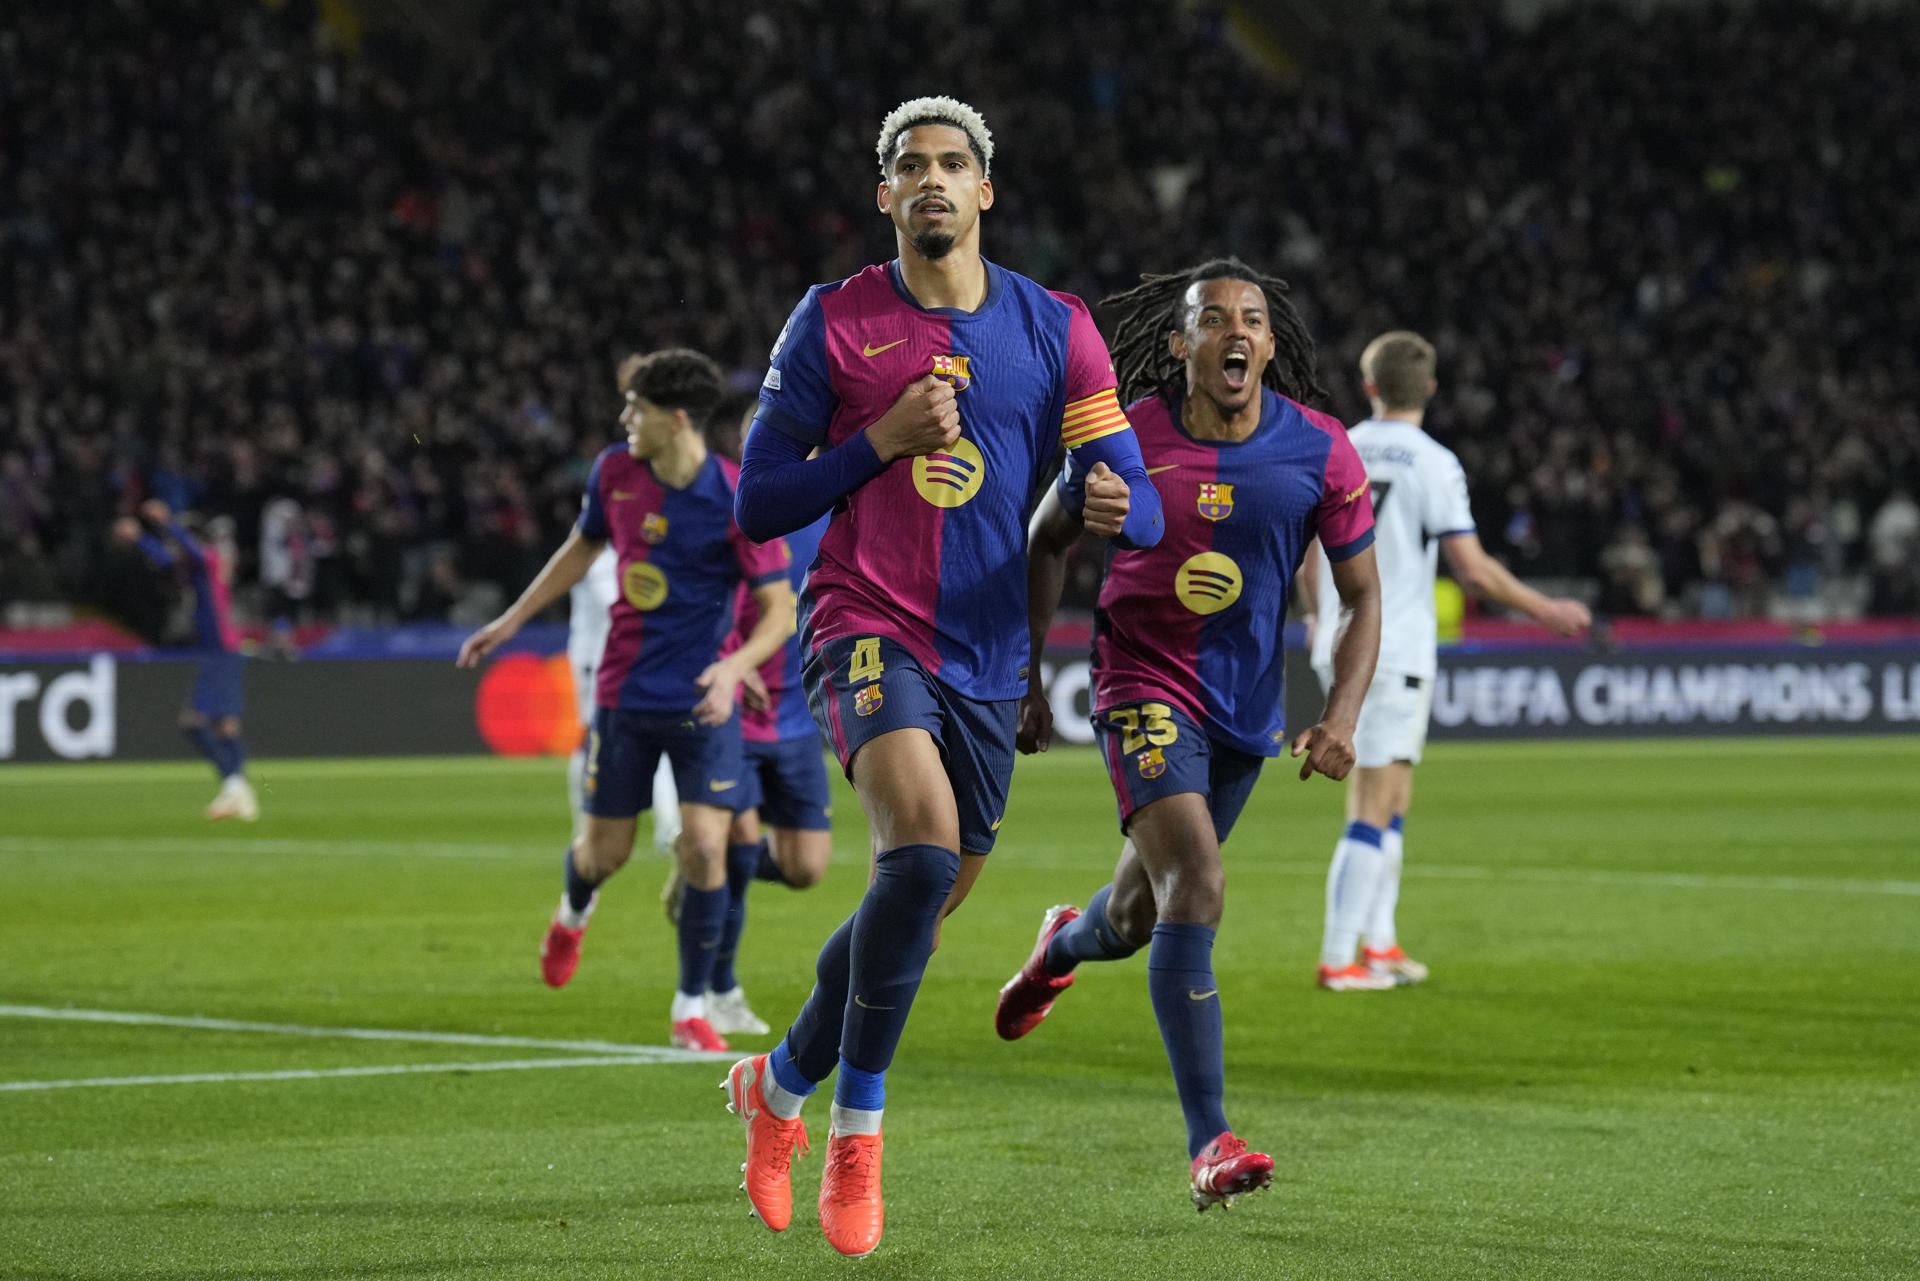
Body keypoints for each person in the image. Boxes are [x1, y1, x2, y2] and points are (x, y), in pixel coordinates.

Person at [722, 96, 1163, 1257]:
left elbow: (1139, 490)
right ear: (884, 196)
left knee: (912, 905)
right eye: (908, 165)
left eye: (950, 164)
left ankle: (775, 1088)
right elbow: (758, 503)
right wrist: (876, 444)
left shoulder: (1056, 328)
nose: (929, 179)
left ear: (984, 192)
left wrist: (1120, 502)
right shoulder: (832, 322)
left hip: (987, 658)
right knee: (913, 857)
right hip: (864, 620)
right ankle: (856, 1139)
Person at [996, 259, 1382, 1210]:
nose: (1235, 333)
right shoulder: (1120, 438)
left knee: (1136, 917)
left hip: (1245, 713)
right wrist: (1028, 677)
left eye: (1251, 319)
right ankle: (1209, 1141)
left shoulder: (1322, 451)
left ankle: (1060, 945)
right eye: (1212, 320)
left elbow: (1364, 596)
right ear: (1181, 344)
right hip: (1140, 684)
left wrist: (1339, 714)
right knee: (1199, 885)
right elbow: (1043, 539)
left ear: (1270, 345)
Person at [457, 349, 795, 1050]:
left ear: (675, 420)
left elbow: (778, 612)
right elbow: (580, 550)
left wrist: (734, 668)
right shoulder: (615, 473)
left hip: (703, 699)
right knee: (602, 853)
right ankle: (572, 914)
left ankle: (689, 1007)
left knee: (705, 846)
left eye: (635, 408)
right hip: (624, 695)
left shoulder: (735, 498)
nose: (623, 419)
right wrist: (512, 620)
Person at [1300, 331, 1590, 991]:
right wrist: (1545, 609)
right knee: (1374, 801)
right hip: (1389, 646)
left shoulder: (1332, 446)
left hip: (1341, 643)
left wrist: (1316, 616)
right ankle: (1338, 957)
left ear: (1370, 386)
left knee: (1393, 796)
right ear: (1429, 389)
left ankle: (1378, 942)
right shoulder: (1433, 462)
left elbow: (1305, 551)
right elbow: (1473, 569)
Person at [660, 398, 835, 1039]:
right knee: (731, 847)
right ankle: (718, 989)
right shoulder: (738, 504)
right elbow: (699, 598)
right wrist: (731, 666)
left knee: (805, 866)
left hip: (796, 712)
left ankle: (690, 866)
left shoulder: (835, 501)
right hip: (735, 707)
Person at [117, 500, 258, 820]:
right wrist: (139, 537)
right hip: (220, 653)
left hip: (222, 652)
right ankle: (238, 794)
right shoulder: (193, 570)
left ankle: (235, 787)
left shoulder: (206, 560)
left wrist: (167, 523)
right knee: (224, 726)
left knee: (195, 722)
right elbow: (166, 558)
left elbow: (189, 551)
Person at [566, 544, 682, 855]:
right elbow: (619, 604)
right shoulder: (597, 559)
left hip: (631, 657)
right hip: (597, 661)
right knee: (589, 740)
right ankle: (585, 824)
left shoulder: (629, 554)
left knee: (661, 731)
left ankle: (668, 826)